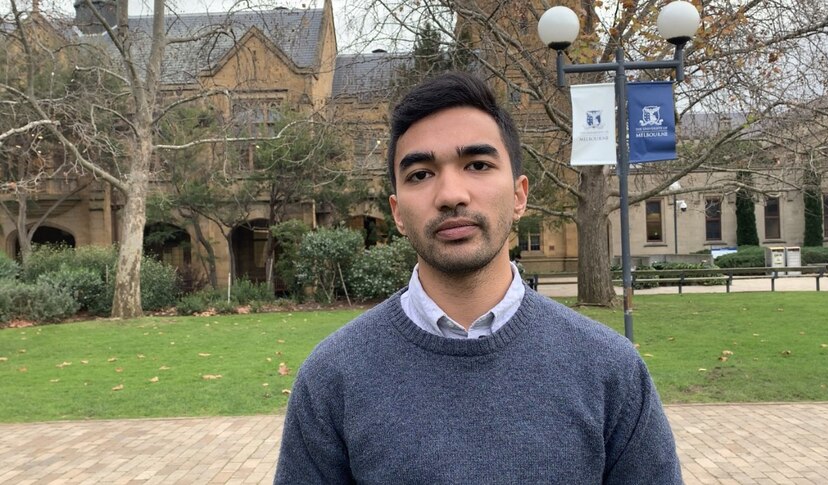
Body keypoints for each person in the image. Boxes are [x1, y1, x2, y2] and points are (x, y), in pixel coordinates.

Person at [273, 72, 682, 484]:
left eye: (477, 165)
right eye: (421, 174)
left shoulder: (610, 370)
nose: (451, 194)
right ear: (396, 212)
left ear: (520, 195)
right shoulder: (331, 378)